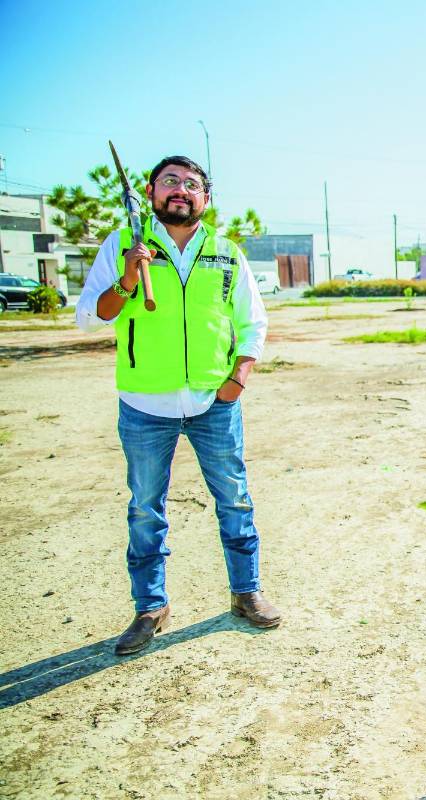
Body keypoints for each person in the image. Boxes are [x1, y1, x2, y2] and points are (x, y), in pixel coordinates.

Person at [76, 155, 281, 656]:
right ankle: (150, 607)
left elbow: (252, 322)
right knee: (146, 509)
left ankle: (246, 593)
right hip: (145, 405)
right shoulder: (124, 244)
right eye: (170, 181)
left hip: (214, 403)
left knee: (235, 499)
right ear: (150, 192)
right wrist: (127, 279)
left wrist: (237, 379)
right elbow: (89, 317)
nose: (181, 191)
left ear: (205, 198)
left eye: (192, 184)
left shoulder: (225, 252)